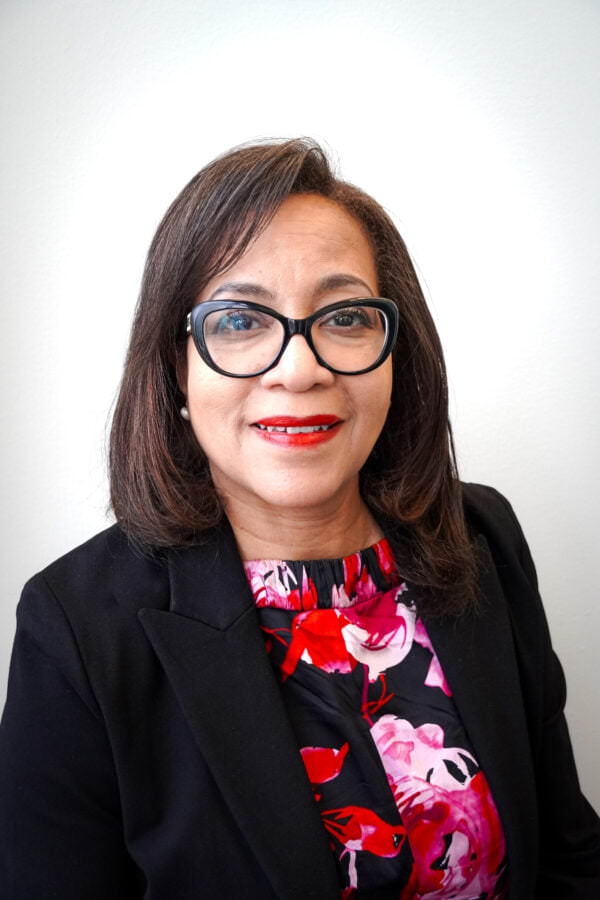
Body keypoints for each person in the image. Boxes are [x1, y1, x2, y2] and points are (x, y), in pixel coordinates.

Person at [1, 138, 599, 900]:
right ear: (176, 364)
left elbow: (571, 861)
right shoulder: (76, 629)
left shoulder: (483, 538)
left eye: (345, 316)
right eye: (238, 321)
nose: (299, 369)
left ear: (395, 351)